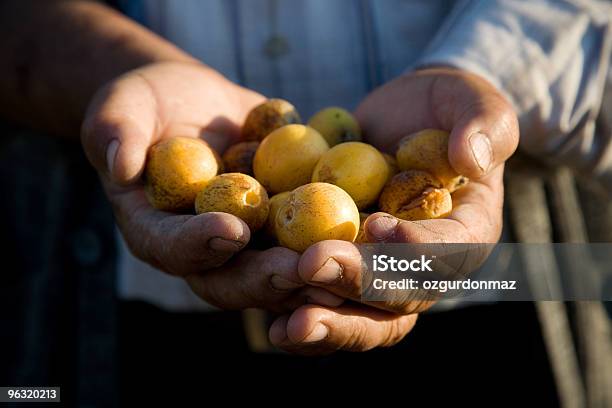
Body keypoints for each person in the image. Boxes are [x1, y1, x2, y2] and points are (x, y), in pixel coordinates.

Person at [0, 0, 610, 405]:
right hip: (127, 329)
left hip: (503, 303)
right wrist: (122, 69)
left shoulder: (391, 175)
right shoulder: (258, 177)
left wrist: (490, 72)